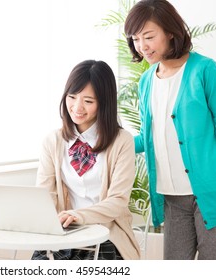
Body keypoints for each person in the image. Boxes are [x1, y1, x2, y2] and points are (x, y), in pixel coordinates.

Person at [124, 0, 216, 260]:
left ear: (170, 32)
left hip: (214, 195)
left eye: (149, 36)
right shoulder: (147, 81)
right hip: (172, 199)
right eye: (135, 39)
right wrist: (105, 142)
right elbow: (150, 139)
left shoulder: (205, 70)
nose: (142, 46)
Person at [31, 60, 140, 260]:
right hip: (64, 234)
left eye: (88, 101)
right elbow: (44, 195)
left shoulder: (122, 141)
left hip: (107, 234)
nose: (77, 107)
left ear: (103, 103)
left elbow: (117, 201)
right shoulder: (52, 141)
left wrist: (79, 216)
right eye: (72, 97)